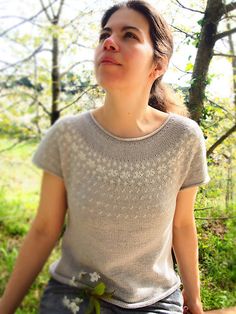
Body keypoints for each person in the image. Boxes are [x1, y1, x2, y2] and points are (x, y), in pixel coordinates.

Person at [0, 1, 211, 313]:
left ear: (158, 65)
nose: (109, 42)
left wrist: (193, 301)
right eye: (105, 35)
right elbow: (44, 229)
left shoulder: (184, 137)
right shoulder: (67, 135)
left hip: (155, 300)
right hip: (74, 295)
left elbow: (182, 225)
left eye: (129, 35)